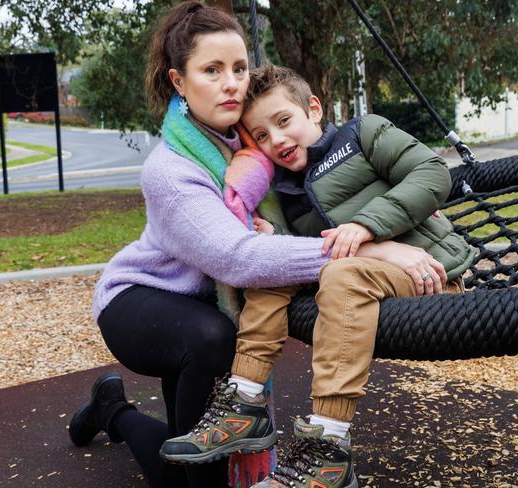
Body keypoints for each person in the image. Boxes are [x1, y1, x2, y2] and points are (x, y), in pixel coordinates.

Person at [68, 2, 455, 486]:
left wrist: (401, 211)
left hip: (203, 306)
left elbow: (342, 187)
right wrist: (371, 245)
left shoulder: (250, 145)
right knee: (209, 355)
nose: (231, 82)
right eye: (212, 70)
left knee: (190, 421)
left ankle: (118, 409)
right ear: (178, 82)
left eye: (238, 67)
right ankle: (116, 412)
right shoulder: (172, 169)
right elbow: (239, 258)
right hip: (143, 299)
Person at [159, 65, 476, 488]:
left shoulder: (363, 134)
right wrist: (279, 236)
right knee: (273, 266)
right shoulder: (287, 188)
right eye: (262, 136)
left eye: (284, 121)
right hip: (363, 281)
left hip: (429, 274)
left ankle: (329, 449)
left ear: (313, 108)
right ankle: (245, 399)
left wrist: (367, 224)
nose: (278, 141)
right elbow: (313, 253)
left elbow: (431, 174)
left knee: (343, 275)